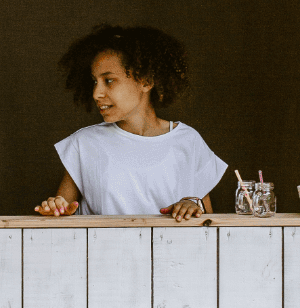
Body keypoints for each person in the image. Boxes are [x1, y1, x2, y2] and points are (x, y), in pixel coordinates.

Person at [35, 24, 225, 221]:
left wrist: (192, 206)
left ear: (146, 81)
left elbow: (207, 221)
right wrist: (56, 208)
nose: (96, 93)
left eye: (108, 80)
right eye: (94, 81)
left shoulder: (188, 141)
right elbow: (62, 212)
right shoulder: (84, 143)